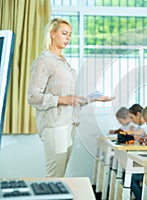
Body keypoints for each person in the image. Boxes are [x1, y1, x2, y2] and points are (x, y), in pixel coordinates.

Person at [27, 18, 114, 177]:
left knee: (60, 175)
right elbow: (32, 96)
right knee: (54, 176)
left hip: (69, 125)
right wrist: (63, 99)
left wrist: (92, 99)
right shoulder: (44, 61)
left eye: (70, 35)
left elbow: (70, 99)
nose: (68, 38)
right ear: (52, 34)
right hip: (55, 126)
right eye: (64, 33)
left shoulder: (63, 63)